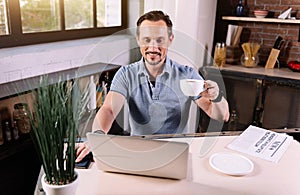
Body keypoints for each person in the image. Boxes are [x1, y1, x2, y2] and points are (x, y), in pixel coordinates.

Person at [76, 10, 229, 162]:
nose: (153, 47)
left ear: (170, 39)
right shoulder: (126, 74)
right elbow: (108, 109)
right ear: (138, 39)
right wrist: (96, 136)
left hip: (177, 153)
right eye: (147, 40)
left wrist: (216, 97)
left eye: (160, 40)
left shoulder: (187, 74)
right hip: (138, 151)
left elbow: (222, 115)